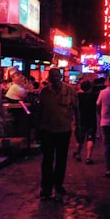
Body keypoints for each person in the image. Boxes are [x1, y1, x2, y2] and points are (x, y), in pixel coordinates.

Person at [37, 68, 78, 199]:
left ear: (60, 76)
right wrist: (37, 129)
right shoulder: (44, 92)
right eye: (52, 76)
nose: (54, 78)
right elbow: (41, 111)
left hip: (64, 130)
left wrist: (79, 127)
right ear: (49, 77)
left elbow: (76, 110)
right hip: (47, 130)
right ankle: (46, 187)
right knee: (47, 160)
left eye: (56, 75)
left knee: (61, 159)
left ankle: (58, 184)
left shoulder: (70, 91)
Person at [74, 79, 98, 164]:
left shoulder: (78, 96)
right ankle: (88, 157)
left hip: (81, 119)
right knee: (90, 138)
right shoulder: (94, 96)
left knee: (80, 139)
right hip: (91, 119)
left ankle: (78, 154)